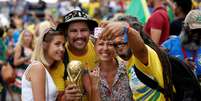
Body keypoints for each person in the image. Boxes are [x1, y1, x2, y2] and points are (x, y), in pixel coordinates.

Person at [51, 9, 98, 100]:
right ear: (66, 34)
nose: (79, 35)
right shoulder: (59, 57)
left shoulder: (99, 49)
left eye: (83, 30)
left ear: (90, 32)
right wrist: (65, 98)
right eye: (73, 31)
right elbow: (56, 97)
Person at [21, 28, 65, 101]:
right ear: (44, 45)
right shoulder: (38, 67)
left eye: (63, 45)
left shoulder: (46, 68)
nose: (62, 49)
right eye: (57, 44)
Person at [162, 9, 201, 79]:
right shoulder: (168, 46)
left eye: (200, 31)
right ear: (185, 27)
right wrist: (180, 65)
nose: (197, 34)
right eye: (193, 30)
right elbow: (159, 70)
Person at [12, 27, 35, 100]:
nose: (27, 38)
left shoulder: (33, 48)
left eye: (29, 36)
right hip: (21, 76)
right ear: (22, 37)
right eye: (25, 35)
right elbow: (15, 62)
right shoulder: (19, 47)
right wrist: (27, 58)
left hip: (32, 76)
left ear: (32, 37)